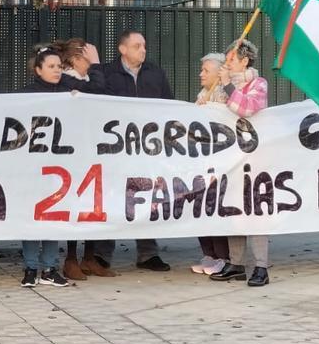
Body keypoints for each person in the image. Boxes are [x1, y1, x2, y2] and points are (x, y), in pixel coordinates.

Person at [94, 29, 174, 273]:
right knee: (111, 196)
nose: (143, 50)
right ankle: (101, 253)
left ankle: (148, 253)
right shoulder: (107, 73)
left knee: (146, 197)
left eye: (144, 45)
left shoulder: (155, 72)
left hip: (147, 149)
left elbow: (168, 104)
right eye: (137, 45)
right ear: (123, 49)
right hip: (114, 149)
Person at [208, 41, 272, 287]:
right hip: (229, 158)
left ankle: (261, 266)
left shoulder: (258, 84)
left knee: (255, 212)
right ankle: (235, 263)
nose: (228, 65)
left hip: (253, 159)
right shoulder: (222, 85)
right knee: (233, 209)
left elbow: (247, 108)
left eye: (232, 60)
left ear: (245, 61)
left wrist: (226, 86)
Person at [15, 46, 72, 289]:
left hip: (60, 166)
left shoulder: (70, 93)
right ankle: (30, 267)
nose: (56, 70)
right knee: (31, 216)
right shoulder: (26, 95)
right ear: (38, 70)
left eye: (59, 66)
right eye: (51, 66)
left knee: (54, 215)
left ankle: (50, 267)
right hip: (32, 165)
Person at [53, 38, 107, 280]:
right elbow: (99, 90)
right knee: (76, 202)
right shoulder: (65, 79)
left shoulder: (83, 80)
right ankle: (71, 258)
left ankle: (90, 257)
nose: (93, 63)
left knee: (95, 203)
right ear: (76, 60)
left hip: (93, 147)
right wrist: (97, 65)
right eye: (88, 58)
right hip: (72, 150)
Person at [192, 52, 229, 276]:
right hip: (202, 161)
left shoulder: (226, 95)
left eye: (206, 70)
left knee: (216, 207)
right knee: (200, 205)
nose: (201, 74)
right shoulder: (202, 96)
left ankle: (222, 256)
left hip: (221, 163)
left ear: (219, 73)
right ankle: (209, 253)